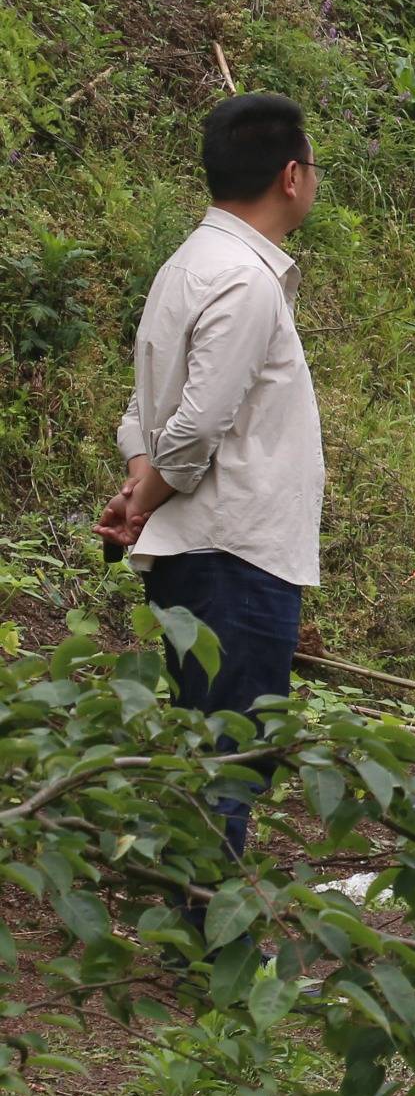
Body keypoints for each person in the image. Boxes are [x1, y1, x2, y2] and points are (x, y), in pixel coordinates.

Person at [97, 93, 326, 859]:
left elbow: (146, 413)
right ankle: (212, 958)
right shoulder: (246, 280)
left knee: (205, 744)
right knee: (231, 756)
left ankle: (191, 934)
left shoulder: (188, 265)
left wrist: (138, 488)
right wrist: (148, 495)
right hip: (236, 555)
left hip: (201, 555)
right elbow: (194, 429)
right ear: (292, 176)